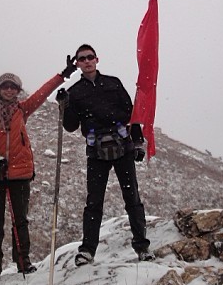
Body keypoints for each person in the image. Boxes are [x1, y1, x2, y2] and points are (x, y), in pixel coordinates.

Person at [0, 58, 76, 283]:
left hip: (19, 174)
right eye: (5, 86)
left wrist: (62, 76)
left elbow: (42, 93)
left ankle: (23, 262)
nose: (9, 90)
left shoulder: (22, 109)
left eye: (13, 86)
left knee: (20, 220)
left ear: (18, 90)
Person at [60, 44, 154, 266]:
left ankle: (142, 247)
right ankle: (87, 251)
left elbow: (132, 113)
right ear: (77, 63)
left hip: (123, 147)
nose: (87, 61)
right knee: (94, 202)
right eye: (82, 59)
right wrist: (65, 105)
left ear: (97, 59)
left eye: (90, 57)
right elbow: (70, 126)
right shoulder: (74, 92)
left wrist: (139, 142)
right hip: (96, 152)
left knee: (132, 199)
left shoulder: (114, 83)